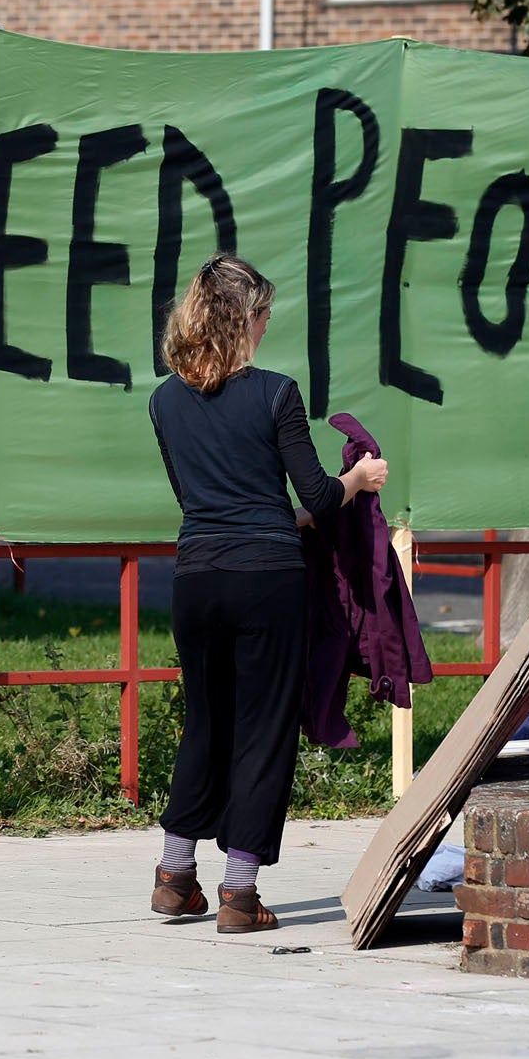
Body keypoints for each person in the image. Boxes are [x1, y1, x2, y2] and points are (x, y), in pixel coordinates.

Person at [146, 254, 388, 933]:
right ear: (242, 320)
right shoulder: (277, 392)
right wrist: (361, 478)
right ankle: (240, 896)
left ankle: (174, 876)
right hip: (267, 581)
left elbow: (209, 501)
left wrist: (288, 515)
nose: (267, 326)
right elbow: (313, 495)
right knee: (263, 728)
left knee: (205, 720)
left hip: (197, 576)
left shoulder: (164, 399)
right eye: (263, 314)